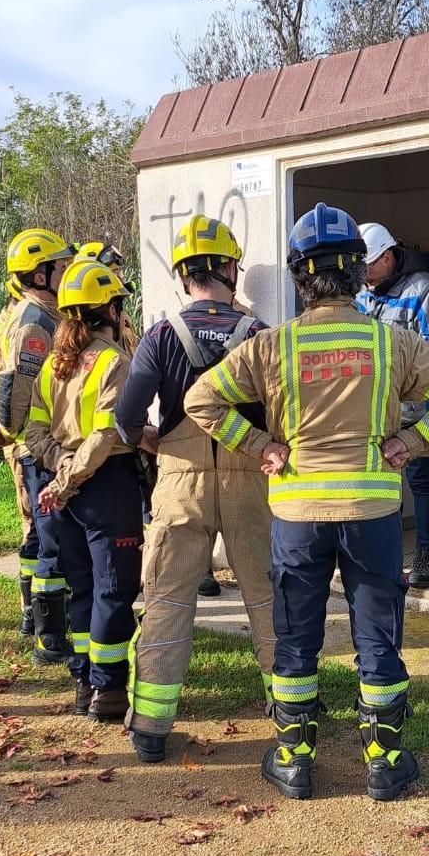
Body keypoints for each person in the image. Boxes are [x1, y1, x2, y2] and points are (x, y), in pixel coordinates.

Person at [186, 204, 429, 802]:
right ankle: (385, 761)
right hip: (371, 514)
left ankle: (295, 761)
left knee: (297, 636)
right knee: (377, 635)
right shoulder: (392, 342)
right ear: (356, 272)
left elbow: (202, 401)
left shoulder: (272, 346)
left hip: (297, 517)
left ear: (301, 276)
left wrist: (263, 447)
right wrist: (412, 442)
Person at [115, 215, 275, 764]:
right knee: (264, 594)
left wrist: (159, 444)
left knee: (167, 597)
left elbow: (126, 418)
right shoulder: (260, 335)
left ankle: (152, 729)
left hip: (180, 481)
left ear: (185, 276)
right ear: (231, 269)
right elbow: (280, 415)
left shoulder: (161, 336)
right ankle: (290, 710)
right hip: (250, 479)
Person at [23, 259, 143, 721]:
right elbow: (104, 435)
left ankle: (81, 682)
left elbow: (32, 433)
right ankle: (108, 691)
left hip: (61, 492)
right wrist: (70, 477)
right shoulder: (115, 362)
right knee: (114, 588)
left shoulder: (55, 363)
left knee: (82, 589)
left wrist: (58, 472)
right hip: (103, 488)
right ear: (109, 310)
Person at [0, 229, 75, 655]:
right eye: (61, 266)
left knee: (42, 537)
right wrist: (8, 430)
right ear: (41, 276)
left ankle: (41, 623)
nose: (68, 270)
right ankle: (51, 637)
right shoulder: (35, 323)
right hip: (38, 449)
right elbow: (16, 384)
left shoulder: (40, 314)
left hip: (37, 446)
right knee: (51, 540)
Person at [356, 222, 429, 589]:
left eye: (368, 266)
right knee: (383, 487)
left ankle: (426, 555)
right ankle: (388, 557)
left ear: (388, 256)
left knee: (420, 481)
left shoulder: (422, 290)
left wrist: (396, 378)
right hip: (374, 413)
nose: (362, 275)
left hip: (414, 412)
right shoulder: (361, 295)